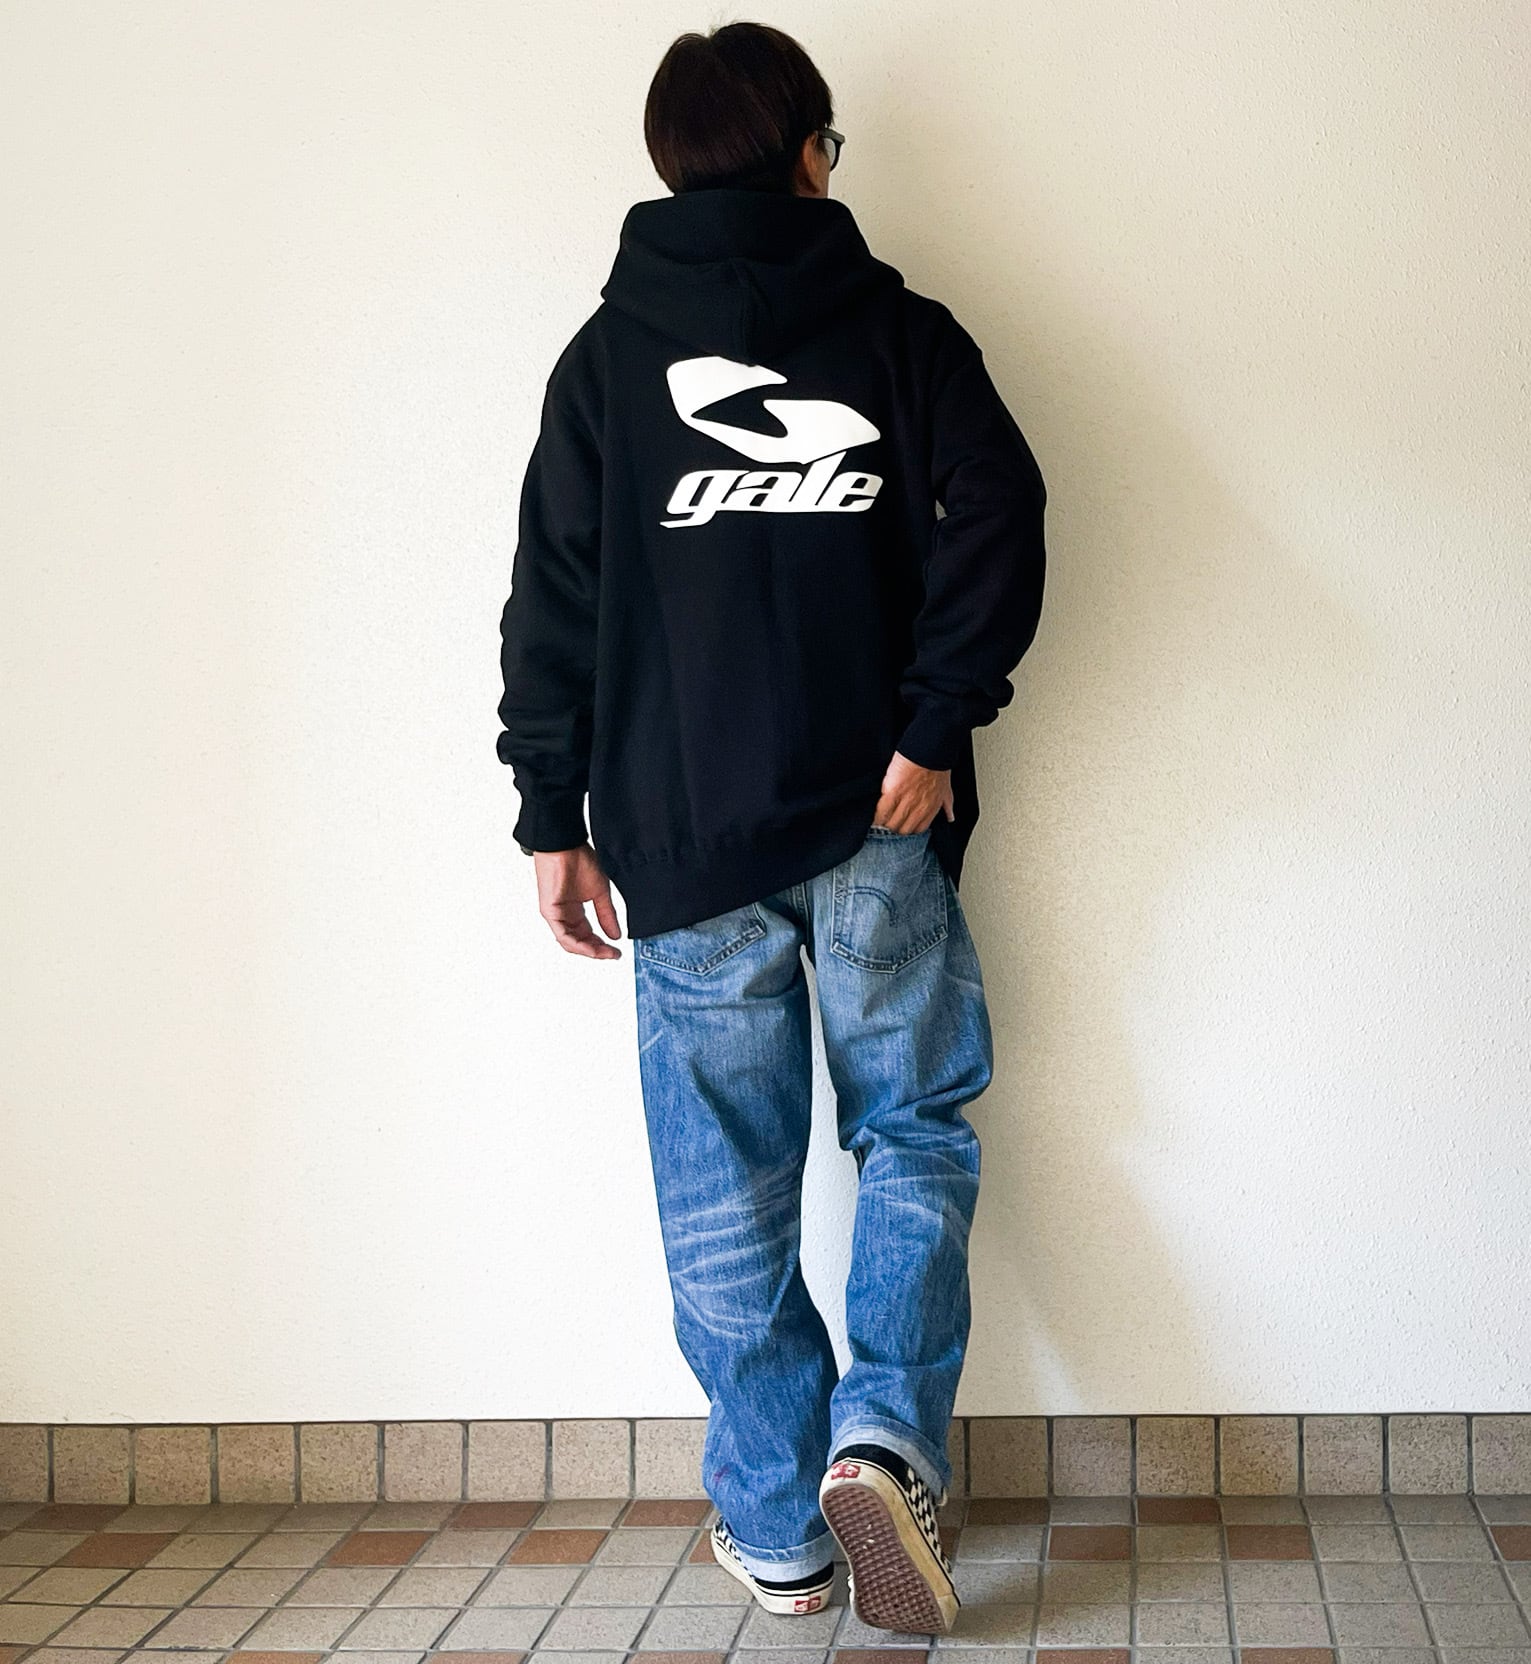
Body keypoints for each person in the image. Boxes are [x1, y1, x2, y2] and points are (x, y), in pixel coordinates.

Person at [496, 21, 1047, 1637]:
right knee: (913, 1133)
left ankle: (778, 1527)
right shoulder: (900, 334)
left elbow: (552, 600)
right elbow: (1005, 512)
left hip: (679, 837)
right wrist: (932, 725)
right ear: (807, 151)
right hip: (879, 818)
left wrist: (550, 811)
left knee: (722, 1190)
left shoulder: (607, 365)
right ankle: (881, 1442)